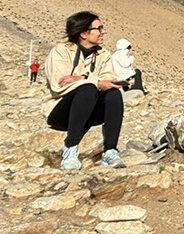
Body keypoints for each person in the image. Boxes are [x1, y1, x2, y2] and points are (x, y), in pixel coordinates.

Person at [43, 11, 125, 170]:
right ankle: (70, 148)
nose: (102, 32)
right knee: (88, 89)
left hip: (90, 109)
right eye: (98, 28)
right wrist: (94, 81)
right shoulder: (61, 51)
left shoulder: (103, 55)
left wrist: (81, 78)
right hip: (60, 111)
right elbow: (59, 84)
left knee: (113, 93)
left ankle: (110, 151)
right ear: (83, 33)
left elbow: (108, 80)